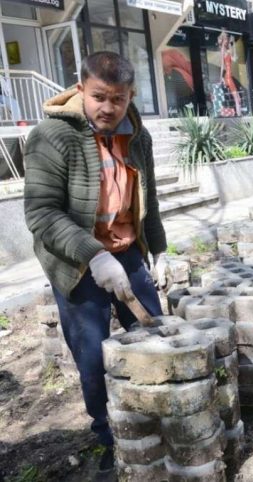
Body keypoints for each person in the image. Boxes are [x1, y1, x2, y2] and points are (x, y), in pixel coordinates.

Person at [23, 51, 167, 477]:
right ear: (80, 89)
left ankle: (158, 418)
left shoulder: (137, 136)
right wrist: (94, 255)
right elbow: (42, 214)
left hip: (127, 251)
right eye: (99, 96)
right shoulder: (52, 137)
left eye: (118, 98)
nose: (108, 107)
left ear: (130, 96)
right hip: (76, 260)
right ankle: (110, 435)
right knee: (93, 355)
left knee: (153, 335)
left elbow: (148, 200)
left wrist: (158, 250)